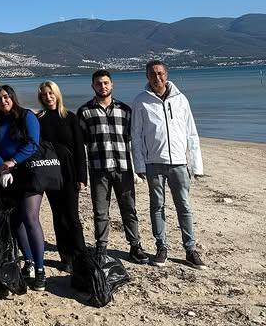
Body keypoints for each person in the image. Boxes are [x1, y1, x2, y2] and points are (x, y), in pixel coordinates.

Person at [131, 61, 207, 269]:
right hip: (154, 163)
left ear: (167, 74)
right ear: (147, 77)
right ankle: (161, 247)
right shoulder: (141, 101)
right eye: (153, 75)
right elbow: (136, 136)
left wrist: (196, 166)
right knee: (157, 207)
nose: (157, 78)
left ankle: (190, 249)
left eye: (161, 74)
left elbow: (191, 134)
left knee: (184, 206)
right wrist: (139, 165)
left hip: (179, 164)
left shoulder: (181, 100)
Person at [77, 70, 150, 264]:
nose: (103, 86)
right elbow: (80, 141)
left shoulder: (125, 110)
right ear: (93, 86)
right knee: (101, 211)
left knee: (129, 208)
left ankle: (135, 246)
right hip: (98, 168)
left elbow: (134, 138)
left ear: (112, 85)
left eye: (106, 83)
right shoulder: (85, 111)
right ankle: (101, 248)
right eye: (99, 83)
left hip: (123, 167)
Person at [0, 85, 46, 291]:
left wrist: (13, 161)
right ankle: (29, 261)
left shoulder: (27, 116)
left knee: (30, 217)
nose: (3, 101)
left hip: (29, 173)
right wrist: (2, 169)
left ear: (13, 98)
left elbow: (33, 144)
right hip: (8, 175)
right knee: (16, 222)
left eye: (6, 97)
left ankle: (40, 270)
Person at [36, 81, 87, 272]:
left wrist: (82, 177)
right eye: (44, 95)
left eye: (51, 93)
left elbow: (80, 149)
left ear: (57, 94)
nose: (48, 97)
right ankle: (65, 257)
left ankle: (80, 255)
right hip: (50, 173)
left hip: (70, 172)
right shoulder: (38, 119)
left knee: (72, 216)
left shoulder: (70, 117)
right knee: (58, 216)